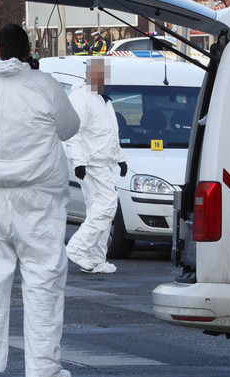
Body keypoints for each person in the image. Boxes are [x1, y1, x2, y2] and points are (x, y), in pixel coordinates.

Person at [0, 23, 80, 377]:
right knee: (43, 280)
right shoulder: (44, 85)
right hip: (38, 198)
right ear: (28, 52)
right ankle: (43, 371)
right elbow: (70, 128)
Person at [65, 57, 127, 274]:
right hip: (92, 164)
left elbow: (110, 133)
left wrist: (120, 157)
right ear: (88, 75)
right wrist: (79, 162)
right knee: (107, 205)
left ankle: (95, 259)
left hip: (103, 163)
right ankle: (78, 248)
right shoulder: (81, 98)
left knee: (99, 211)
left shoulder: (103, 100)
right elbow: (74, 133)